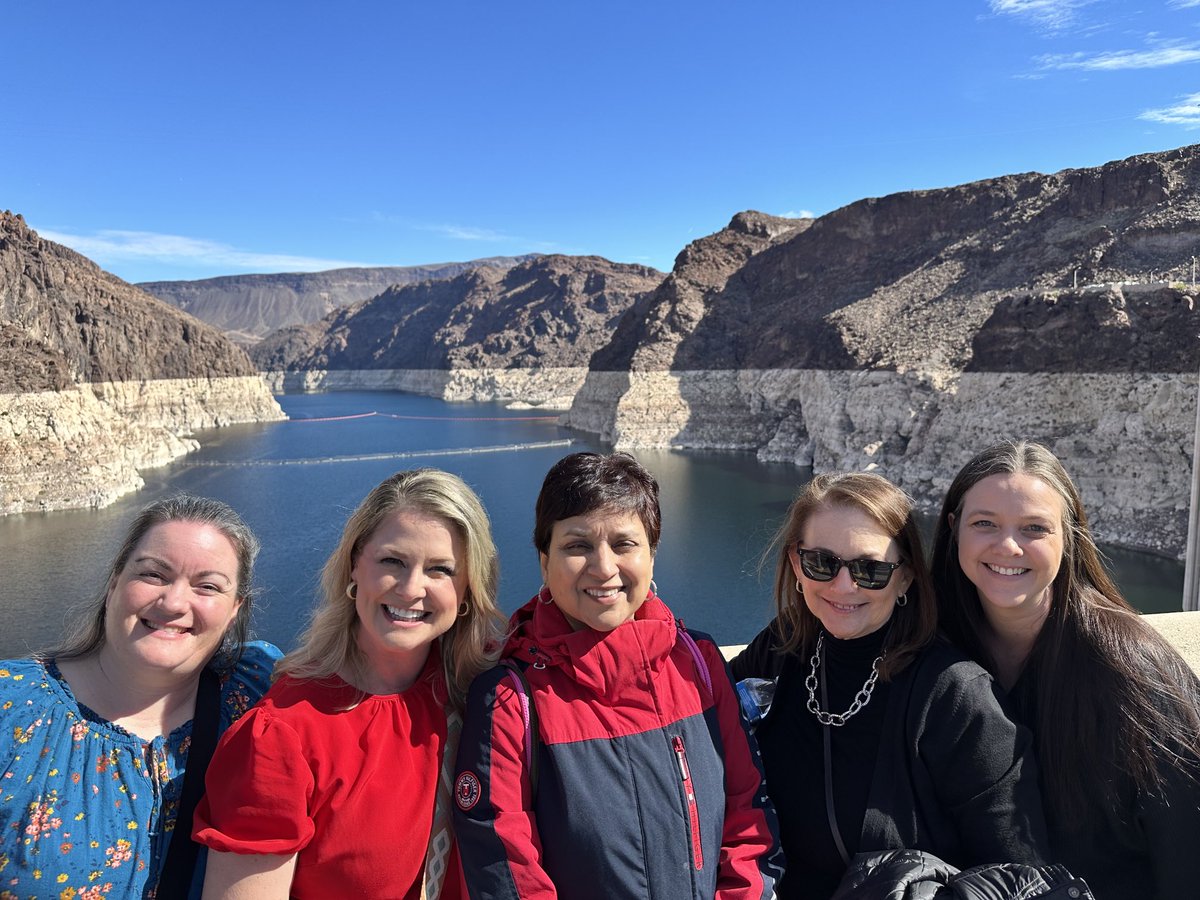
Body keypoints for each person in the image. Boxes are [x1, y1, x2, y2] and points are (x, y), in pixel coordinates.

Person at [453, 451, 782, 899]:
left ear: (652, 554)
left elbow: (747, 815)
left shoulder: (700, 665)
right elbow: (506, 871)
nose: (603, 568)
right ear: (544, 560)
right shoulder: (512, 701)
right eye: (577, 545)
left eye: (623, 544)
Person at [729, 472, 1048, 900]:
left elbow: (1017, 874)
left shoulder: (953, 694)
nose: (844, 586)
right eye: (821, 563)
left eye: (871, 570)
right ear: (795, 564)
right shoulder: (785, 645)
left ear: (906, 577)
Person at [194, 468, 507, 899]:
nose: (412, 588)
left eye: (440, 570)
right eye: (392, 561)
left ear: (468, 589)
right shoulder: (284, 735)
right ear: (355, 564)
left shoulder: (485, 691)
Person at [932, 440, 1200, 900]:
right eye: (985, 524)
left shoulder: (1130, 669)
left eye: (1034, 528)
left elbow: (1187, 846)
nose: (1008, 546)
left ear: (1068, 535)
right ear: (955, 528)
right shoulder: (935, 646)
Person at [0, 494, 280, 899]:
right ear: (115, 582)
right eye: (154, 575)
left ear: (234, 610)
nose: (173, 602)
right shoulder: (13, 709)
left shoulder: (256, 694)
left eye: (208, 586)